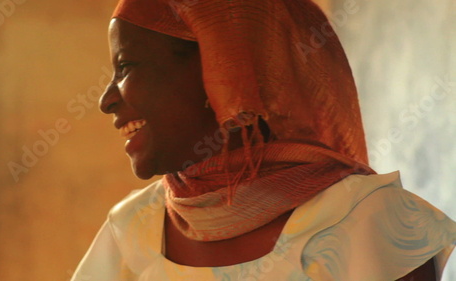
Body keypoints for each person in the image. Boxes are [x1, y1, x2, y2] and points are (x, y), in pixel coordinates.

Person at [71, 0, 456, 280]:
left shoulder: (363, 219)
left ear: (220, 69)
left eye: (125, 67)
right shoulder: (132, 229)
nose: (106, 100)